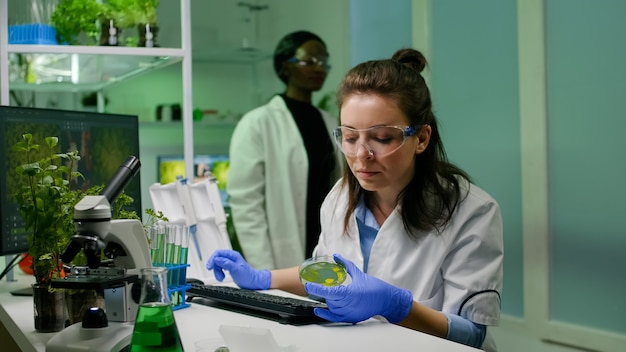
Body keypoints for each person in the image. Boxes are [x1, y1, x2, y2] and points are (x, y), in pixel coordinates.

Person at [208, 48, 503, 351]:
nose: (362, 155)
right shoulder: (340, 199)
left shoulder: (471, 211)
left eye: (383, 138)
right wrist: (262, 278)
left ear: (422, 139)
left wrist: (397, 306)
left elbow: (471, 335)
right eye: (350, 138)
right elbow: (325, 273)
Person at [227, 30, 342, 270]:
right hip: (282, 256)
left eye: (323, 61)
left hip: (328, 249)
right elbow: (247, 205)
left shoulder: (330, 123)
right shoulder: (258, 123)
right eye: (309, 61)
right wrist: (264, 270)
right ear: (284, 66)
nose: (319, 67)